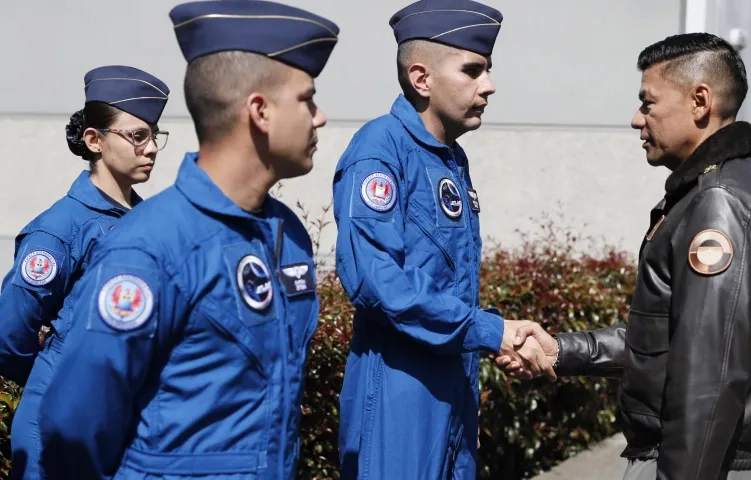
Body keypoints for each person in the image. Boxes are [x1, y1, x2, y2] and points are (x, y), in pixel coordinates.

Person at [36, 1, 339, 478]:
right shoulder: (150, 248)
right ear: (259, 111)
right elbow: (75, 429)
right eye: (307, 99)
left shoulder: (288, 235)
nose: (320, 118)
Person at [499, 33, 751, 480]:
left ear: (700, 101)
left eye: (648, 103)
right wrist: (561, 351)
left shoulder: (718, 203)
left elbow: (707, 380)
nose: (636, 119)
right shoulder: (717, 190)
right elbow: (670, 339)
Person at [332, 1, 553, 478]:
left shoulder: (451, 158)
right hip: (399, 390)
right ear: (421, 78)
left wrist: (496, 338)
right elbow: (377, 281)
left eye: (488, 70)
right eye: (473, 70)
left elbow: (444, 284)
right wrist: (492, 332)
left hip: (453, 385)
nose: (489, 85)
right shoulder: (379, 149)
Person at [0, 65, 170, 479]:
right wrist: (56, 371)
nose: (150, 148)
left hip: (119, 423)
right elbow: (9, 331)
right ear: (94, 140)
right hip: (56, 425)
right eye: (137, 135)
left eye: (154, 135)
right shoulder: (60, 229)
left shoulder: (152, 221)